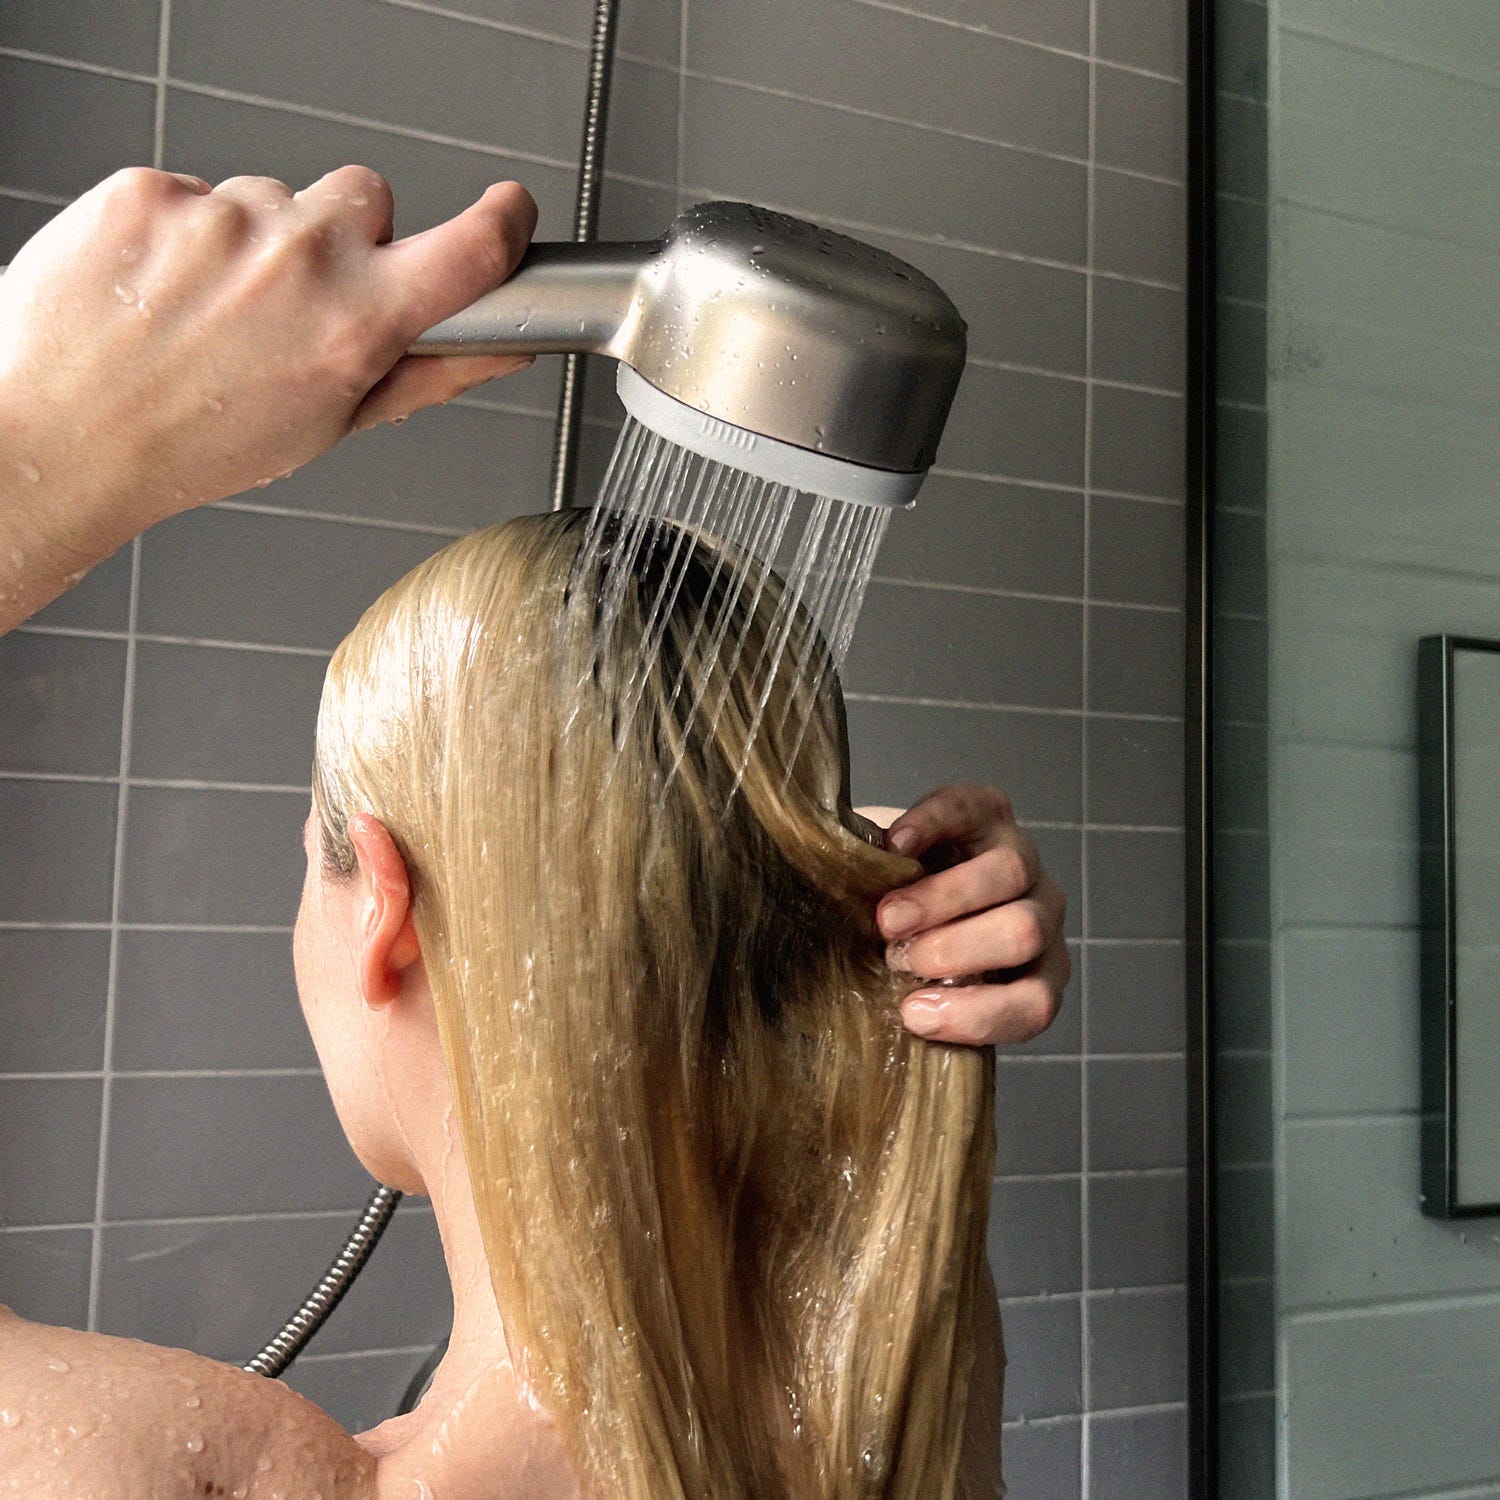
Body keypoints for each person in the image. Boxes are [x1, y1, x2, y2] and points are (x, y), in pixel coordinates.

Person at [0, 169, 1071, 1498]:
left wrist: (32, 433)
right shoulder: (888, 1398)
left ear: (382, 906)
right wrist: (827, 917)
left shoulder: (194, 1478)